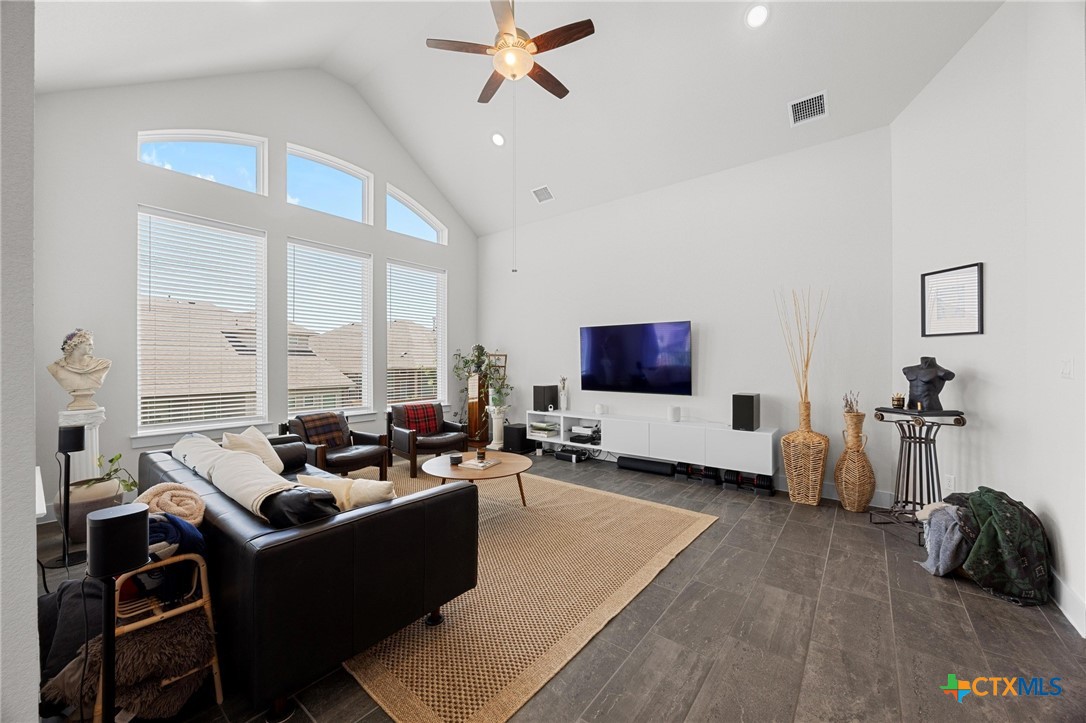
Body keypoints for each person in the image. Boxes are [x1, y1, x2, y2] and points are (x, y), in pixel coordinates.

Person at [47, 328, 111, 410]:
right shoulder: (57, 368)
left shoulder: (101, 365)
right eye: (88, 344)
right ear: (76, 345)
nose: (93, 347)